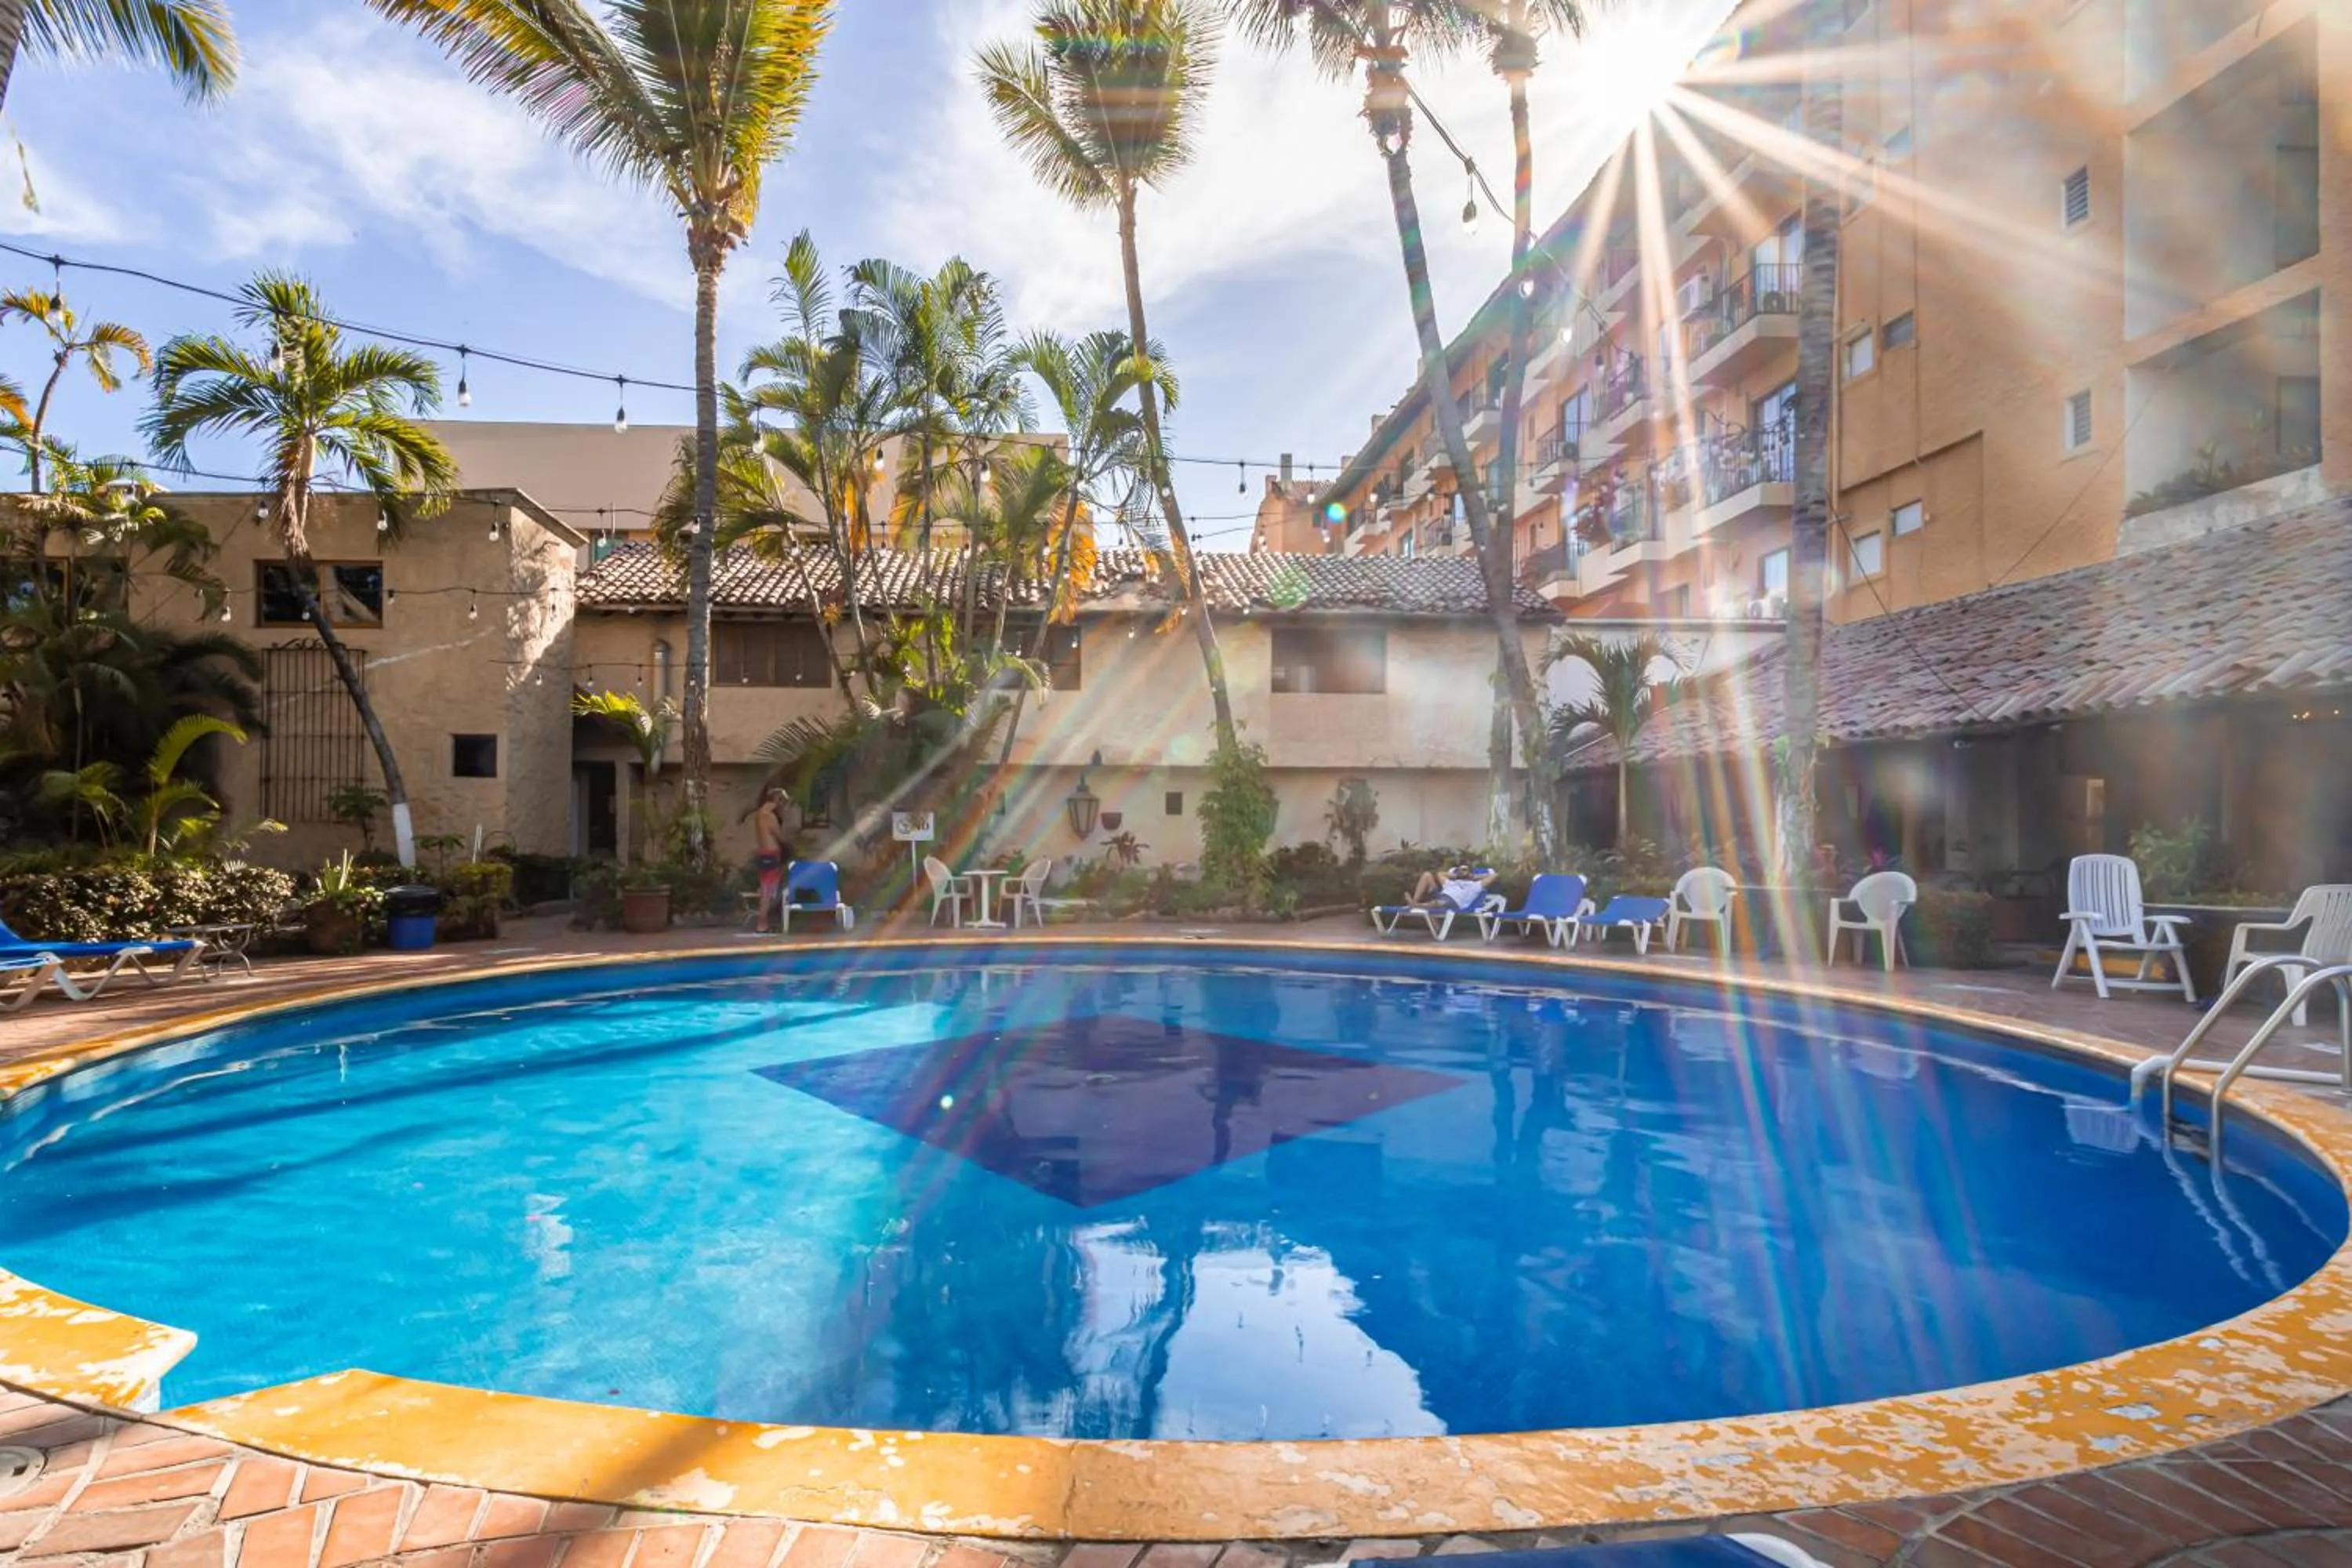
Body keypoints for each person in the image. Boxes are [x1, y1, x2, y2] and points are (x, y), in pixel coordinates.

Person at [752, 786, 790, 933]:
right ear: (778, 800)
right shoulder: (769, 816)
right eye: (783, 802)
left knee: (766, 890)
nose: (783, 806)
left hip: (763, 855)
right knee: (768, 893)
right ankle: (762, 925)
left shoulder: (759, 814)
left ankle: (764, 923)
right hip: (771, 856)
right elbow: (780, 837)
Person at [1406, 862, 1496, 912]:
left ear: (1470, 872)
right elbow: (1440, 874)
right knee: (1427, 875)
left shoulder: (1475, 886)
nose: (1461, 871)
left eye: (1464, 870)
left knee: (1438, 902)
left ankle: (1415, 905)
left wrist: (1472, 877)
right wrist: (1456, 876)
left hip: (1454, 903)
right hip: (1441, 896)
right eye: (1459, 869)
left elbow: (1494, 875)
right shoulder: (1452, 882)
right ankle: (1414, 902)